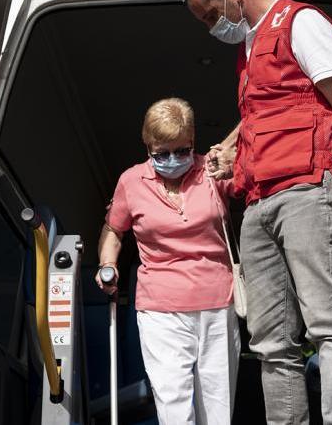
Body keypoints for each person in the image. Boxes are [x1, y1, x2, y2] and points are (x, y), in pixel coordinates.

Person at [180, 0, 332, 425]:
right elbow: (268, 110)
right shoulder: (250, 48)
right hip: (259, 202)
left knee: (329, 325)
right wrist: (231, 145)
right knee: (270, 340)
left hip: (308, 191)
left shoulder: (301, 23)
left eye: (211, 15)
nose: (211, 28)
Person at [96, 97, 240, 425]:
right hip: (160, 307)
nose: (172, 159)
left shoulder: (212, 170)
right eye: (161, 153)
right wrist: (109, 264)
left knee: (218, 409)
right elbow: (114, 230)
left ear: (193, 143)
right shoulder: (131, 182)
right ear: (147, 147)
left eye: (181, 151)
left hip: (217, 301)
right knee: (173, 404)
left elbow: (251, 182)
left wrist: (232, 155)